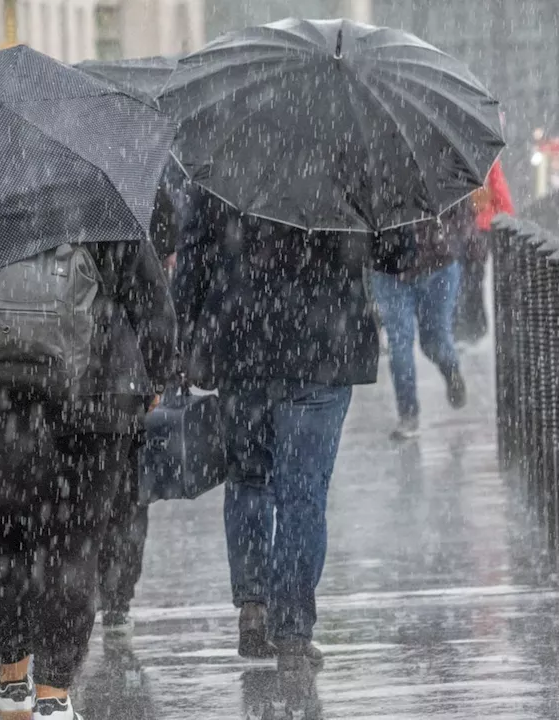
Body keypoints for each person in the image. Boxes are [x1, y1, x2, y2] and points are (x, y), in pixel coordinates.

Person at [0, 239, 175, 720]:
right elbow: (149, 298)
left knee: (2, 540)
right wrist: (158, 372)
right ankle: (54, 695)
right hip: (94, 396)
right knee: (74, 547)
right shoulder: (99, 194)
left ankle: (12, 682)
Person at [174, 193, 414, 667]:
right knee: (303, 493)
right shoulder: (350, 161)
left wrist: (185, 338)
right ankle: (291, 631)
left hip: (241, 344)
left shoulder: (228, 160)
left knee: (247, 479)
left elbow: (194, 261)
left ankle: (253, 605)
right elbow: (397, 253)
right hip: (323, 346)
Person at [98, 183, 181, 638]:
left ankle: (79, 585)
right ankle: (116, 597)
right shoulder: (132, 192)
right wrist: (158, 377)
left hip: (56, 380)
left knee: (72, 494)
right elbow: (157, 312)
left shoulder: (36, 203)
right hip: (120, 382)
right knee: (129, 494)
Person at [370, 203, 475, 440]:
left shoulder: (434, 172)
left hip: (436, 267)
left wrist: (448, 241)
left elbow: (463, 214)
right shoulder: (374, 179)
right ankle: (408, 413)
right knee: (400, 342)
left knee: (433, 340)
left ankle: (450, 369)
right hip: (392, 272)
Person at [456, 160, 514, 344]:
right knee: (474, 277)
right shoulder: (485, 157)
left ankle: (458, 327)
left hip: (454, 228)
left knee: (456, 278)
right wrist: (508, 218)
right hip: (480, 227)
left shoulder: (445, 155)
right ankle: (476, 327)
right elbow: (499, 188)